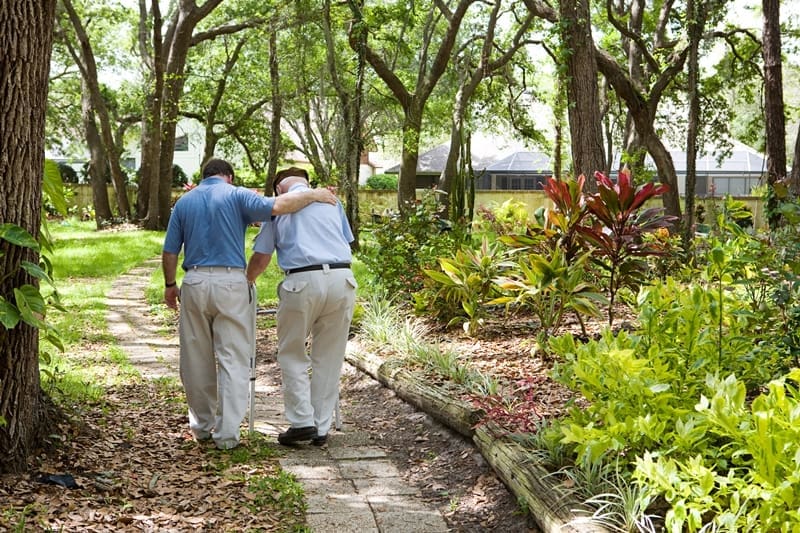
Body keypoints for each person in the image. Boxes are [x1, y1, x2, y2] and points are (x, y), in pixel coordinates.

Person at [162, 158, 337, 450]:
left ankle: (201, 427)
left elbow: (169, 251)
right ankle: (228, 435)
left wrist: (170, 285)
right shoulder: (237, 194)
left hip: (193, 281)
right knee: (233, 358)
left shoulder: (184, 202)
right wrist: (315, 194)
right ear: (228, 176)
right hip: (231, 281)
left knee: (195, 357)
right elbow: (279, 206)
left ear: (204, 176)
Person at [246, 167, 356, 447]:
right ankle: (321, 427)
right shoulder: (332, 201)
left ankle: (301, 421)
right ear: (306, 182)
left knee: (292, 352)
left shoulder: (279, 207)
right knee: (329, 356)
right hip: (343, 278)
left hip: (302, 280)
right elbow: (346, 241)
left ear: (278, 189)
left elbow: (261, 258)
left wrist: (245, 282)